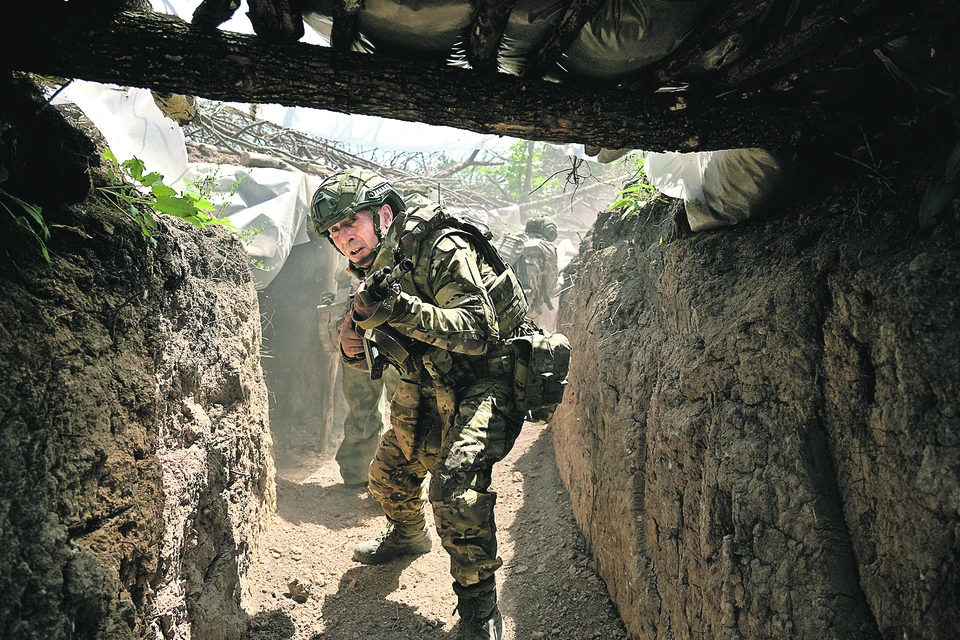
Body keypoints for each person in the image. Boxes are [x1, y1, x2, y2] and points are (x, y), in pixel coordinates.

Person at [310, 168, 534, 640]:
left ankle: (480, 606)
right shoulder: (371, 268)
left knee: (455, 487)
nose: (344, 238)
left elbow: (478, 330)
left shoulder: (440, 246)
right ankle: (408, 536)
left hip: (489, 376)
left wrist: (396, 309)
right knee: (389, 472)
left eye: (351, 223)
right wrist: (357, 346)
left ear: (384, 214)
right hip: (433, 378)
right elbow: (386, 354)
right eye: (334, 232)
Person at [317, 261, 400, 486]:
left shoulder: (401, 240)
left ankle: (397, 482)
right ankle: (357, 473)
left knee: (406, 409)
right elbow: (342, 275)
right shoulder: (355, 241)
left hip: (399, 332)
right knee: (362, 405)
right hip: (357, 331)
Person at [494, 214, 560, 330]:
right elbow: (550, 282)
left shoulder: (513, 242)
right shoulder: (545, 247)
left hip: (499, 303)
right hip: (527, 308)